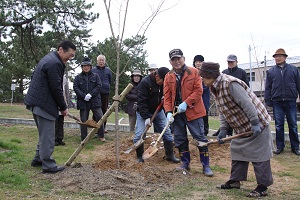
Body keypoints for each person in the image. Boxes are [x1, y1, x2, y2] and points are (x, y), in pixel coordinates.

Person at [199, 61, 273, 198]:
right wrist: (223, 129)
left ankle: (263, 187)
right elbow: (223, 110)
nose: (202, 80)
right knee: (237, 150)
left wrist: (255, 122)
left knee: (259, 156)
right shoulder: (214, 87)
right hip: (242, 126)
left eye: (203, 77)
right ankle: (235, 181)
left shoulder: (230, 83)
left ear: (210, 75)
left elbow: (247, 104)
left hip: (257, 123)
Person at [24, 40, 76, 174]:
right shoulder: (55, 63)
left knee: (44, 134)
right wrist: (63, 107)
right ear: (60, 50)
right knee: (48, 135)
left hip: (37, 101)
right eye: (69, 55)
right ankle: (48, 165)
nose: (70, 59)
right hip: (43, 103)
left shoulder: (50, 59)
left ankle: (38, 159)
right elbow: (56, 88)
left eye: (72, 56)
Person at [164, 49, 213, 177]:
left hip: (194, 111)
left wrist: (186, 103)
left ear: (183, 58)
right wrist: (168, 112)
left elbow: (198, 91)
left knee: (200, 138)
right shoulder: (168, 76)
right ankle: (185, 163)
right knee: (180, 139)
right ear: (170, 61)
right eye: (174, 59)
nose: (177, 61)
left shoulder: (194, 72)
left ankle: (206, 166)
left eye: (178, 58)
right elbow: (167, 96)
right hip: (177, 114)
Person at [134, 67, 179, 164]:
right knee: (139, 135)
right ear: (157, 76)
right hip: (143, 112)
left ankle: (170, 155)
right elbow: (141, 102)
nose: (163, 83)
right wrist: (146, 117)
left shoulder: (165, 82)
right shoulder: (145, 83)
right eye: (162, 81)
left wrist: (168, 112)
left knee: (167, 133)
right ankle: (139, 157)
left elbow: (170, 96)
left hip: (158, 112)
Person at [265, 48, 300, 155]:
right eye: (276, 57)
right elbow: (268, 87)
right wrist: (268, 100)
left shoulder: (294, 69)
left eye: (280, 56)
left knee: (293, 124)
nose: (278, 58)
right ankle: (280, 147)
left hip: (291, 100)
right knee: (278, 125)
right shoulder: (271, 72)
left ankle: (296, 147)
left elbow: (299, 85)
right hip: (277, 102)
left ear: (285, 57)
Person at [212, 54, 249, 137]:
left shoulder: (241, 72)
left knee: (238, 119)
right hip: (227, 100)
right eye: (229, 62)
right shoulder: (224, 72)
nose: (230, 63)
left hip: (239, 100)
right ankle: (228, 134)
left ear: (236, 62)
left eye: (232, 62)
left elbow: (246, 86)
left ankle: (240, 135)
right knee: (228, 117)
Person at [74, 57, 105, 141]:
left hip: (95, 101)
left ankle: (101, 136)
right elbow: (76, 88)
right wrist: (83, 96)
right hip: (83, 102)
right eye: (84, 66)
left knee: (100, 117)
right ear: (82, 67)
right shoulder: (78, 77)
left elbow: (99, 86)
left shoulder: (96, 76)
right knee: (83, 120)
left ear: (90, 66)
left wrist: (91, 94)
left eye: (87, 65)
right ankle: (84, 138)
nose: (86, 67)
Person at [91, 55, 112, 133]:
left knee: (104, 110)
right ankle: (95, 127)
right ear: (97, 61)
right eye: (100, 60)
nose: (101, 62)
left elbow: (110, 80)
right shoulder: (93, 70)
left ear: (105, 61)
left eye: (102, 60)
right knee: (96, 110)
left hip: (105, 93)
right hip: (96, 93)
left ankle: (103, 127)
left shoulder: (108, 70)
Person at [193, 54, 210, 136]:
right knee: (195, 118)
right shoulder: (192, 73)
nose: (198, 63)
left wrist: (198, 90)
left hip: (204, 99)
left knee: (204, 116)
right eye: (196, 62)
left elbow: (206, 86)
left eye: (200, 62)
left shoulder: (206, 73)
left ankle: (205, 133)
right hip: (194, 100)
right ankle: (196, 134)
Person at [55, 75, 68, 146]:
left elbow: (63, 93)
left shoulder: (64, 78)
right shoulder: (53, 77)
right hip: (54, 104)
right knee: (55, 123)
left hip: (62, 103)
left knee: (60, 122)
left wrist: (65, 105)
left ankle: (60, 138)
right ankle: (54, 139)